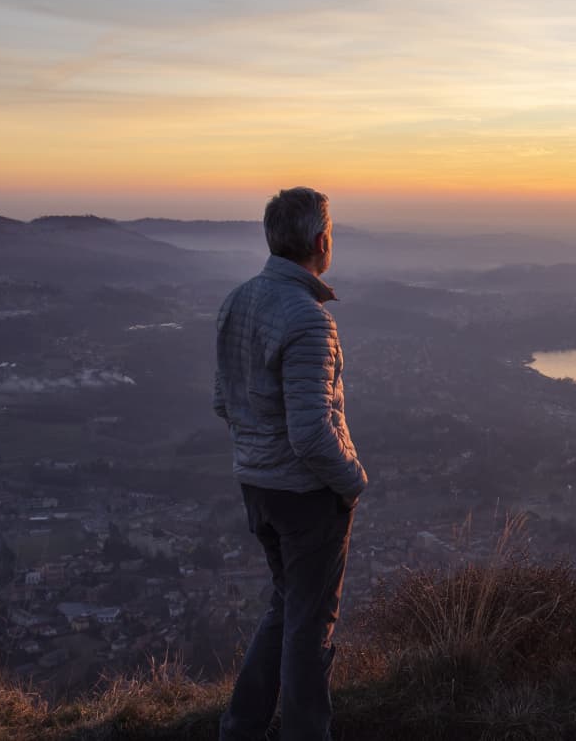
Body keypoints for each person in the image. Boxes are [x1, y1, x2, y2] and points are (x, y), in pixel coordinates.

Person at [213, 187, 368, 741]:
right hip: (306, 495)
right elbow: (310, 433)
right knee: (309, 628)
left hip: (255, 485)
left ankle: (241, 727)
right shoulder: (309, 320)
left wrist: (257, 453)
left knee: (287, 608)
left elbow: (222, 401)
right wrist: (353, 482)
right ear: (320, 240)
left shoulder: (237, 301)